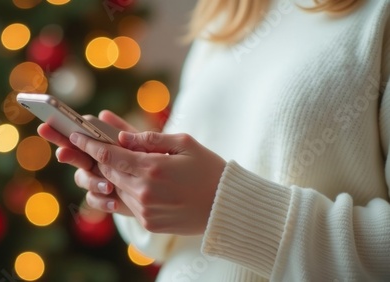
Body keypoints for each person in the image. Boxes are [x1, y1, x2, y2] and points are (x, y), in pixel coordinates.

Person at [38, 0, 390, 280]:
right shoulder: (228, 14)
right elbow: (175, 241)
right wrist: (135, 187)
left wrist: (223, 207)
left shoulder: (379, 16)